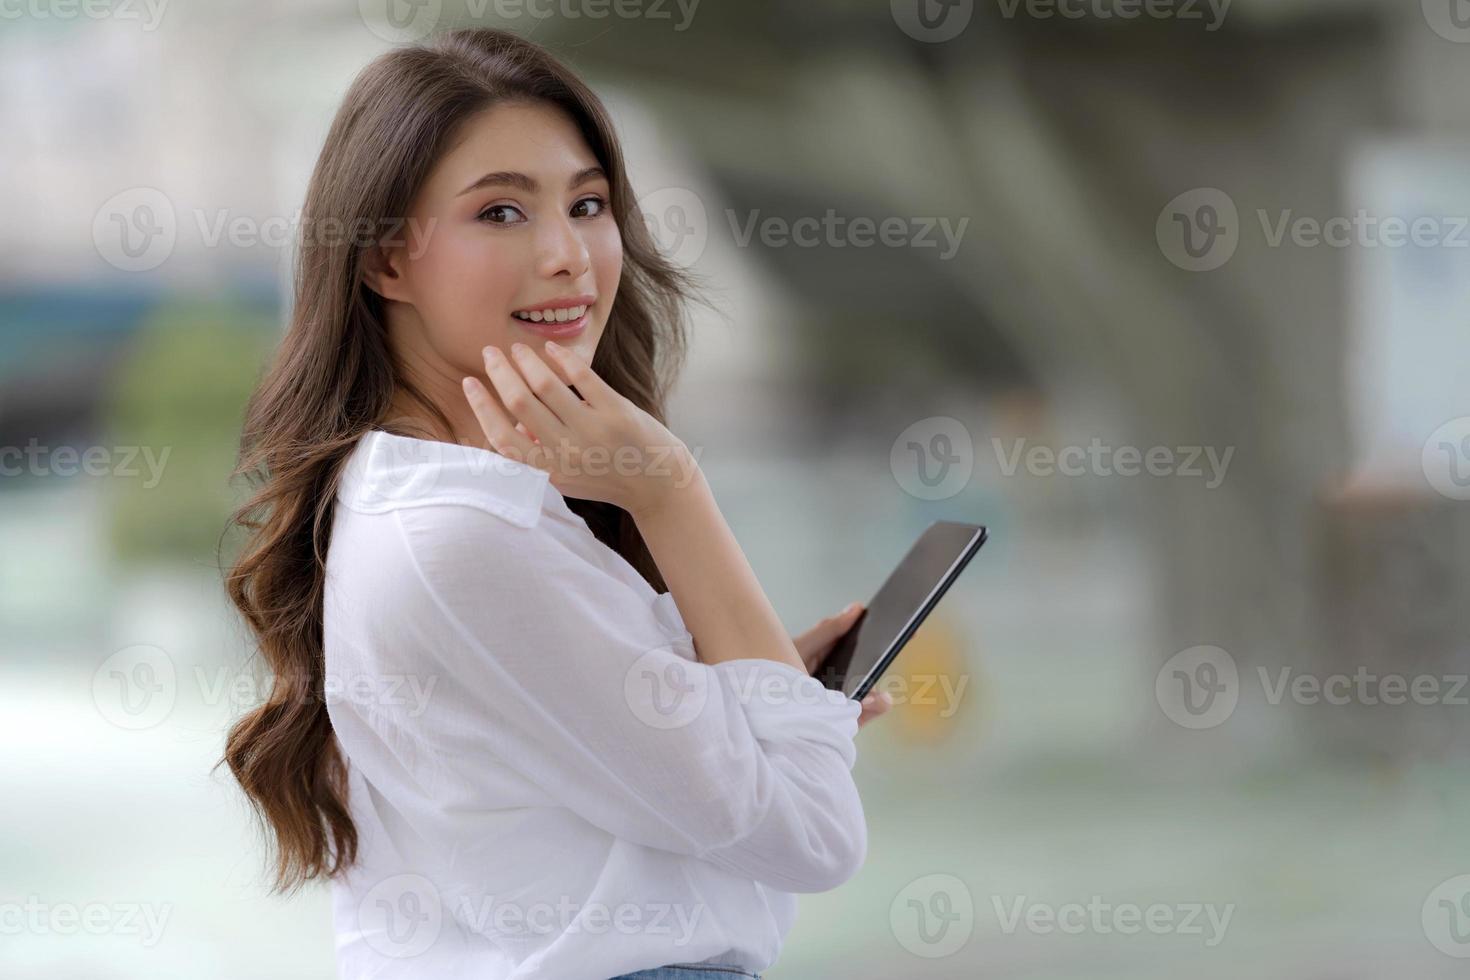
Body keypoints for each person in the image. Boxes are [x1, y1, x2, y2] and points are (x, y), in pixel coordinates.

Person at [219, 27, 892, 980]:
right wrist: (670, 489)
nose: (570, 256)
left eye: (588, 204)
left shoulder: (412, 497)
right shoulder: (460, 538)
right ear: (383, 260)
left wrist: (746, 687)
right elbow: (815, 837)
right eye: (500, 212)